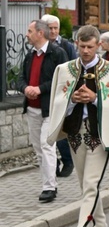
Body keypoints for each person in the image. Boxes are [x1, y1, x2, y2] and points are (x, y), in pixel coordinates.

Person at [46, 25, 109, 227]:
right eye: (82, 46)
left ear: (99, 46)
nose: (85, 51)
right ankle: (101, 226)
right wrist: (72, 100)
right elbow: (57, 100)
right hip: (75, 133)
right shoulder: (64, 70)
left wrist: (95, 98)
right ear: (76, 45)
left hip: (99, 134)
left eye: (90, 47)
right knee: (86, 185)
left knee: (91, 183)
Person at [19, 20, 69, 202]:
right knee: (38, 148)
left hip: (50, 110)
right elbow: (21, 78)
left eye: (29, 30)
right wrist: (25, 88)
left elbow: (64, 80)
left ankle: (49, 188)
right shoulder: (30, 55)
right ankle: (50, 182)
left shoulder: (57, 53)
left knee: (47, 145)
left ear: (40, 33)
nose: (27, 34)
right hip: (32, 109)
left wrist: (40, 88)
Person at [40, 14, 76, 177]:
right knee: (46, 134)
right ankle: (54, 165)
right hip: (45, 94)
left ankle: (68, 162)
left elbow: (74, 65)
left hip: (63, 92)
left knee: (59, 129)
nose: (53, 31)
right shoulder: (41, 46)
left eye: (56, 28)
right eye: (51, 28)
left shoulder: (66, 46)